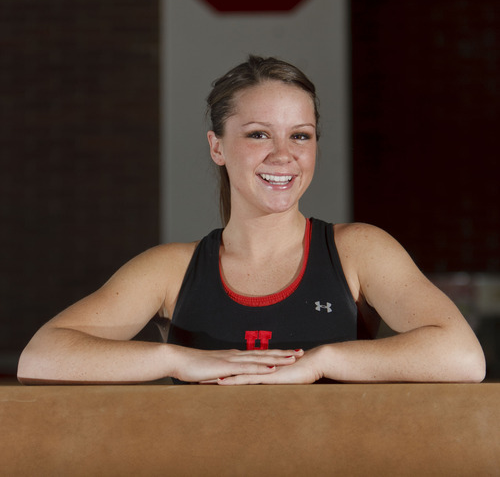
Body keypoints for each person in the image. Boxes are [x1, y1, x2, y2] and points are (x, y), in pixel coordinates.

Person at [17, 55, 485, 385]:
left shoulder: (357, 250)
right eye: (258, 134)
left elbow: (462, 356)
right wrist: (178, 360)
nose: (283, 156)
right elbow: (41, 356)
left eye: (300, 136)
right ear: (217, 146)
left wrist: (322, 362)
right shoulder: (171, 269)